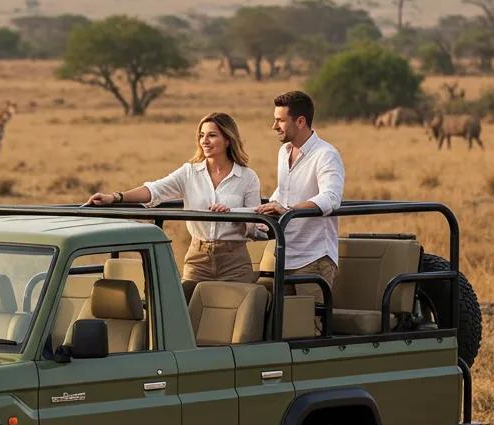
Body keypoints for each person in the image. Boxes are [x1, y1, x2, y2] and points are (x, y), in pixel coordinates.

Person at [87, 112, 261, 295]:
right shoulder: (189, 173)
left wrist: (232, 213)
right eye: (201, 135)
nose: (205, 141)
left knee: (235, 311)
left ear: (228, 139)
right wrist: (116, 197)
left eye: (212, 135)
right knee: (185, 311)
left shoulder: (247, 177)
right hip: (198, 257)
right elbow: (154, 190)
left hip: (234, 260)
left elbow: (256, 223)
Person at [255, 90, 345, 299]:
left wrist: (288, 211)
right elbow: (283, 192)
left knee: (310, 326)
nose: (274, 126)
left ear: (301, 121)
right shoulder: (284, 151)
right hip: (285, 256)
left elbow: (331, 198)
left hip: (313, 259)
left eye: (280, 120)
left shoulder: (326, 155)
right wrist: (259, 215)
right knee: (285, 326)